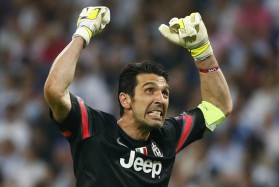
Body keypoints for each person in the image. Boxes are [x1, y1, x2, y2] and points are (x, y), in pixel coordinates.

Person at [44, 6, 232, 187]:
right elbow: (55, 90)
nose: (160, 99)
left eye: (165, 93)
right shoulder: (94, 128)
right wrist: (82, 34)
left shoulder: (167, 138)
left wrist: (203, 51)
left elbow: (219, 107)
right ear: (125, 99)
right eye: (149, 90)